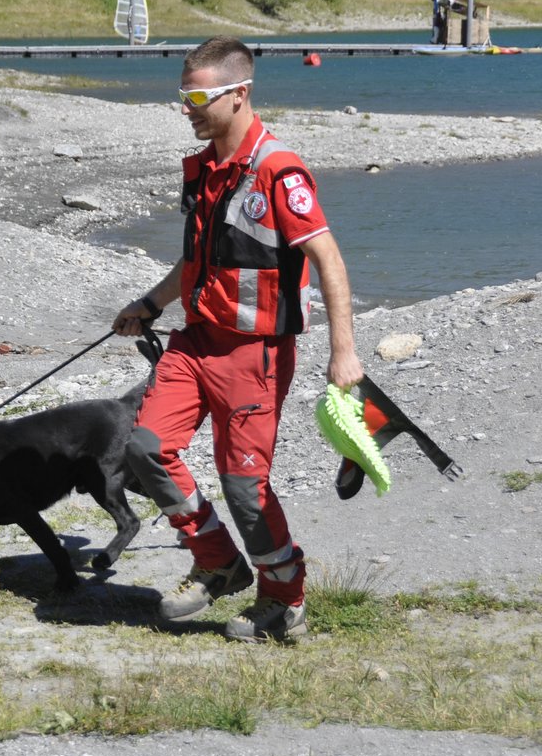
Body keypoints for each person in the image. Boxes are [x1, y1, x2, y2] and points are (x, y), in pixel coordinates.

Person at [111, 36, 363, 642]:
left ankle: (285, 597)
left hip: (256, 356)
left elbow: (328, 258)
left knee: (244, 486)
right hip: (194, 344)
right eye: (183, 95)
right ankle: (219, 562)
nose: (187, 108)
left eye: (198, 96)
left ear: (238, 94)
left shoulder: (279, 169)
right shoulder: (203, 169)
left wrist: (343, 351)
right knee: (145, 446)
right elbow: (198, 260)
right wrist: (149, 304)